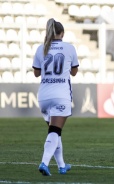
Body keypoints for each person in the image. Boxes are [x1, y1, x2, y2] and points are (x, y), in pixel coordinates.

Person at [32, 18, 79, 176]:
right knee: (54, 131)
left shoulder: (41, 48)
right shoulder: (69, 48)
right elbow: (74, 72)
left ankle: (62, 165)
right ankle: (44, 162)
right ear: (62, 33)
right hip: (61, 95)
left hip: (44, 95)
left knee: (55, 132)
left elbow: (36, 73)